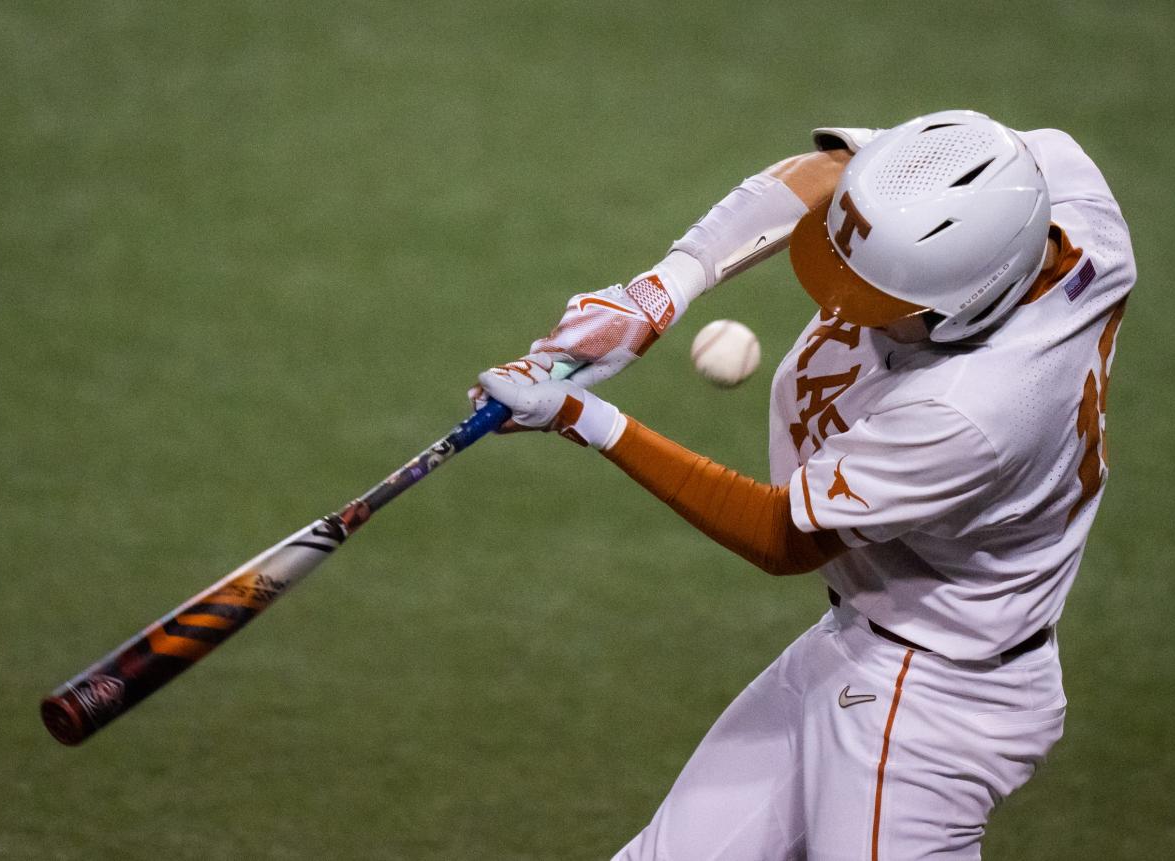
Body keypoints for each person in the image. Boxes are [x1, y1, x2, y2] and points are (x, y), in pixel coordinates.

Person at [471, 110, 1135, 860]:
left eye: (886, 302)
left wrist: (584, 418)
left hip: (930, 708)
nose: (846, 301)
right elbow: (834, 176)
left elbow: (781, 535)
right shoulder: (1056, 195)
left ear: (972, 304)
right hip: (856, 646)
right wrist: (660, 291)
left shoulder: (973, 411)